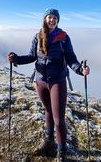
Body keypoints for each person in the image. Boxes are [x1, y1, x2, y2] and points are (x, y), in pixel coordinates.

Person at [8, 8, 90, 162]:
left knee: (59, 118)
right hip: (40, 80)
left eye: (54, 18)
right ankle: (49, 140)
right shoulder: (37, 36)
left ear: (58, 20)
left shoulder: (63, 37)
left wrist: (80, 69)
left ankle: (61, 151)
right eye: (49, 17)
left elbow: (71, 58)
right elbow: (32, 56)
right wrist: (16, 59)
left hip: (57, 80)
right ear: (45, 19)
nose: (52, 20)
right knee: (47, 110)